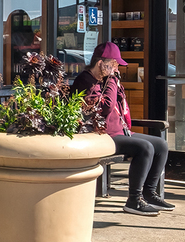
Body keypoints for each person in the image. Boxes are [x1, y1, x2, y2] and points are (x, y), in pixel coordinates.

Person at [72, 42, 172, 216]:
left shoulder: (106, 80)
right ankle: (134, 199)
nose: (117, 68)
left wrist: (113, 83)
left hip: (120, 131)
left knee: (160, 145)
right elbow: (106, 108)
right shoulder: (85, 80)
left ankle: (149, 192)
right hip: (102, 135)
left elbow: (119, 105)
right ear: (100, 63)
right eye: (113, 64)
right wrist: (112, 80)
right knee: (144, 147)